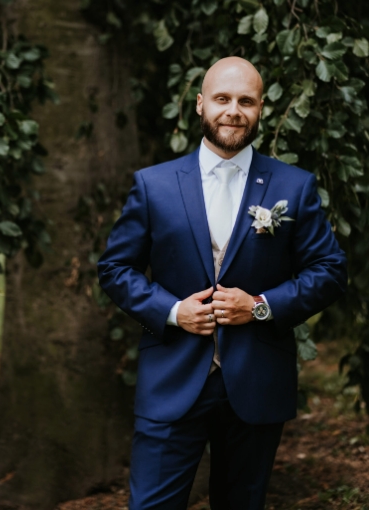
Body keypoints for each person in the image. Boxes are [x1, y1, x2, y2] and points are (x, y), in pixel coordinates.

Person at [97, 57, 347, 509]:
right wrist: (173, 311)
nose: (234, 110)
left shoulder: (295, 185)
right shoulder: (153, 186)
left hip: (256, 382)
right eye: (223, 99)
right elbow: (115, 268)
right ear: (200, 105)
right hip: (171, 378)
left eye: (246, 101)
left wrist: (260, 306)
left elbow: (329, 270)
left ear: (260, 109)